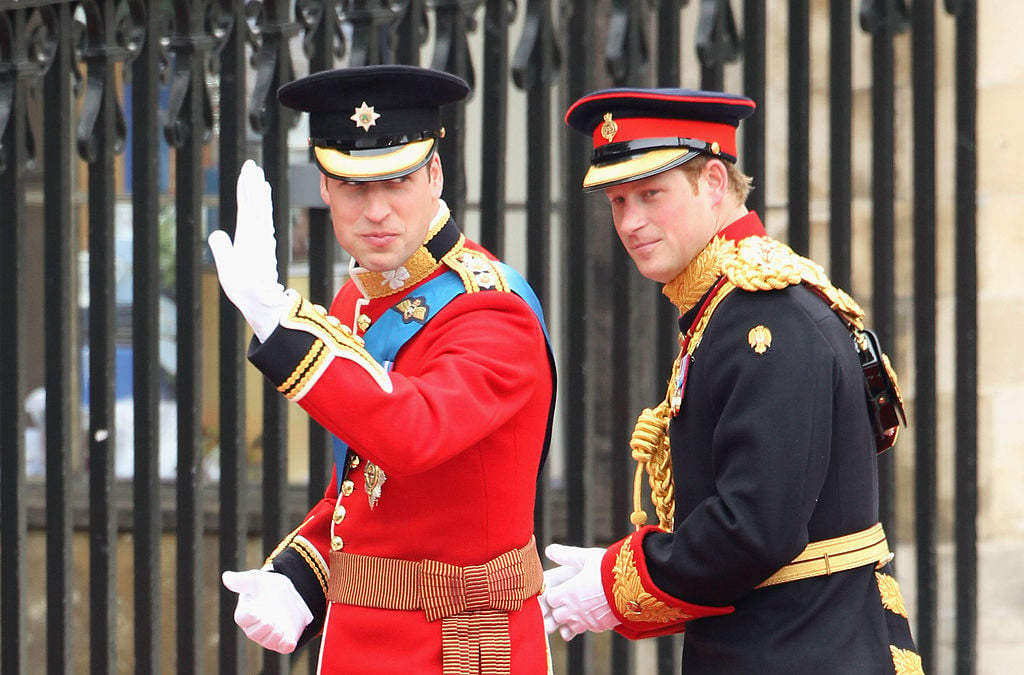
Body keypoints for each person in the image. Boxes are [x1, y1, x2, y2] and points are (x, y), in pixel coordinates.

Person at [539, 87, 922, 673]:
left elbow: (755, 528)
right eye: (618, 201)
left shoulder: (764, 316)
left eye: (650, 194)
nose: (631, 222)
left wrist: (618, 583)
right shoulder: (725, 306)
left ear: (715, 183)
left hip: (808, 647)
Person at [209, 65, 556, 675]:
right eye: (351, 187)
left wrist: (281, 325)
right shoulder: (359, 301)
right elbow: (365, 494)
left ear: (435, 175)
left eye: (396, 183)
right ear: (323, 187)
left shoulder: (490, 306)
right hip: (357, 640)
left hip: (468, 646)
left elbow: (412, 433)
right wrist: (302, 572)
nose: (375, 211)